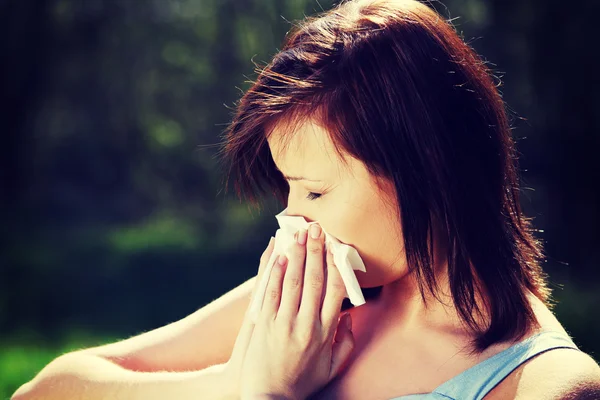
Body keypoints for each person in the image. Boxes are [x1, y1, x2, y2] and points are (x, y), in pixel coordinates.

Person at [12, 0, 600, 399]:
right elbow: (47, 390)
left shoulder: (548, 384)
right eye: (290, 187)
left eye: (316, 190)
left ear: (428, 170)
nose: (291, 216)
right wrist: (238, 380)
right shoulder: (311, 302)